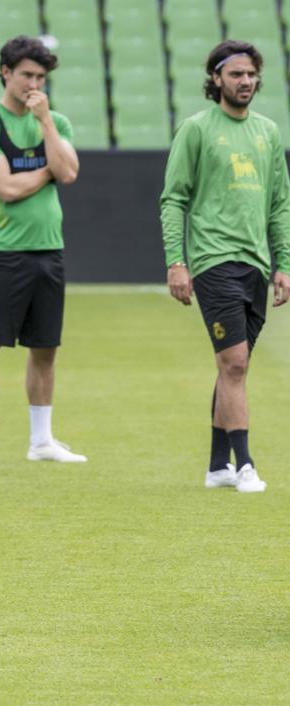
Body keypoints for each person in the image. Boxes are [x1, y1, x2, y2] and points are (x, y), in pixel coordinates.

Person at [160, 40, 290, 493]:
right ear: (216, 79)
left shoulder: (269, 132)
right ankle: (245, 465)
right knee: (233, 363)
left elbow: (280, 204)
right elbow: (173, 198)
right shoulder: (196, 129)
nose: (246, 81)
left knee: (234, 365)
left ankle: (217, 465)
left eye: (252, 74)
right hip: (213, 260)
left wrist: (284, 262)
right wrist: (177, 262)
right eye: (236, 74)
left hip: (255, 263)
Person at [0, 36, 84, 466]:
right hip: (6, 253)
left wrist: (47, 123)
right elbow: (8, 188)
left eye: (40, 77)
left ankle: (41, 441)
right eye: (26, 75)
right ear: (6, 73)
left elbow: (68, 173)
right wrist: (49, 170)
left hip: (50, 251)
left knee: (45, 348)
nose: (34, 84)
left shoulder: (55, 121)